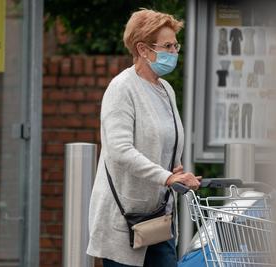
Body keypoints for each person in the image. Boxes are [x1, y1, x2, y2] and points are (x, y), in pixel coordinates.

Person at [86, 9, 201, 267]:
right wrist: (167, 177)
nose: (174, 52)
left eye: (175, 45)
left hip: (158, 219)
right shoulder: (121, 88)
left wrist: (175, 169)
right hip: (124, 221)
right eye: (167, 46)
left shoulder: (165, 90)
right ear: (143, 49)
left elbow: (164, 142)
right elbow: (119, 150)